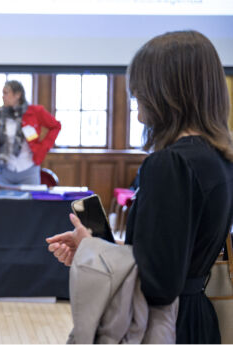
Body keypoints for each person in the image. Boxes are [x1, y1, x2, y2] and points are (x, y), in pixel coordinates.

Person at [46, 30, 233, 343]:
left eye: (139, 86)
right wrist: (101, 250)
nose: (134, 97)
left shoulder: (170, 164)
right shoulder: (220, 158)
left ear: (165, 90)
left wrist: (94, 251)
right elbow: (175, 255)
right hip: (198, 319)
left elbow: (158, 284)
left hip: (164, 326)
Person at [0, 80, 61, 185]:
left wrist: (43, 147)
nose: (3, 96)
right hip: (5, 169)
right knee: (3, 201)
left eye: (6, 93)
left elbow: (55, 126)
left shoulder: (36, 111)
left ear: (17, 95)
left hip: (28, 168)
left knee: (29, 201)